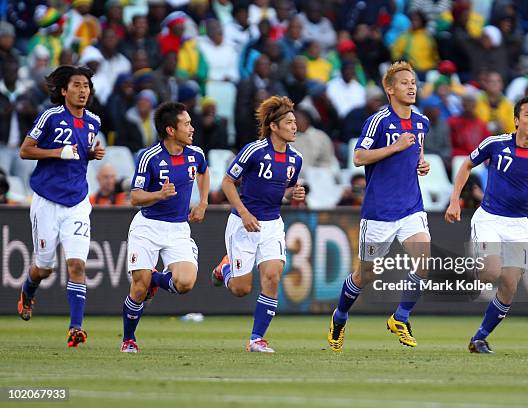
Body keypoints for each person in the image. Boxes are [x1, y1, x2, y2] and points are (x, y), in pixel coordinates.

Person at [327, 61, 431, 352]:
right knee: (366, 275)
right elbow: (358, 157)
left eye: (413, 81)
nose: (412, 86)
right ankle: (340, 315)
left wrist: (420, 163)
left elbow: (417, 152)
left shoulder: (422, 122)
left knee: (424, 262)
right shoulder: (379, 121)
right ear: (389, 89)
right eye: (404, 82)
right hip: (379, 213)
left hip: (411, 207)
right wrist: (395, 147)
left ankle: (401, 317)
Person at [445, 96, 528, 353]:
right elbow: (466, 165)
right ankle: (473, 262)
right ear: (517, 120)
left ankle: (479, 338)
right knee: (490, 273)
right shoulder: (495, 143)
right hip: (489, 218)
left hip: (518, 223)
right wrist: (454, 202)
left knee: (510, 285)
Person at [17, 65, 105, 347]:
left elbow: (78, 156)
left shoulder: (94, 121)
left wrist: (91, 154)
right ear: (64, 90)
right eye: (77, 85)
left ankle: (75, 328)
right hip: (47, 201)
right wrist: (57, 152)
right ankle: (28, 290)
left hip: (77, 201)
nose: (82, 91)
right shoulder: (51, 117)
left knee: (77, 264)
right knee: (44, 268)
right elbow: (25, 150)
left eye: (86, 86)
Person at [210, 95, 305, 353]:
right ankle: (224, 269)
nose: (294, 126)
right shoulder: (254, 151)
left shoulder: (295, 158)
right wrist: (243, 213)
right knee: (241, 289)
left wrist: (292, 195)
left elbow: (281, 191)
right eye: (289, 122)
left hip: (272, 223)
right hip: (244, 223)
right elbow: (227, 183)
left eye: (295, 122)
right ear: (274, 126)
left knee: (273, 277)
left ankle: (256, 339)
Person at [120, 102, 210, 353]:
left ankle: (155, 280)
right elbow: (135, 197)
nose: (192, 128)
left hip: (178, 228)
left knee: (185, 283)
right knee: (138, 286)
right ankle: (129, 339)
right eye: (187, 124)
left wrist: (202, 203)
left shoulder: (196, 154)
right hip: (148, 226)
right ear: (171, 130)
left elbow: (204, 172)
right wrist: (158, 194)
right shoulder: (149, 157)